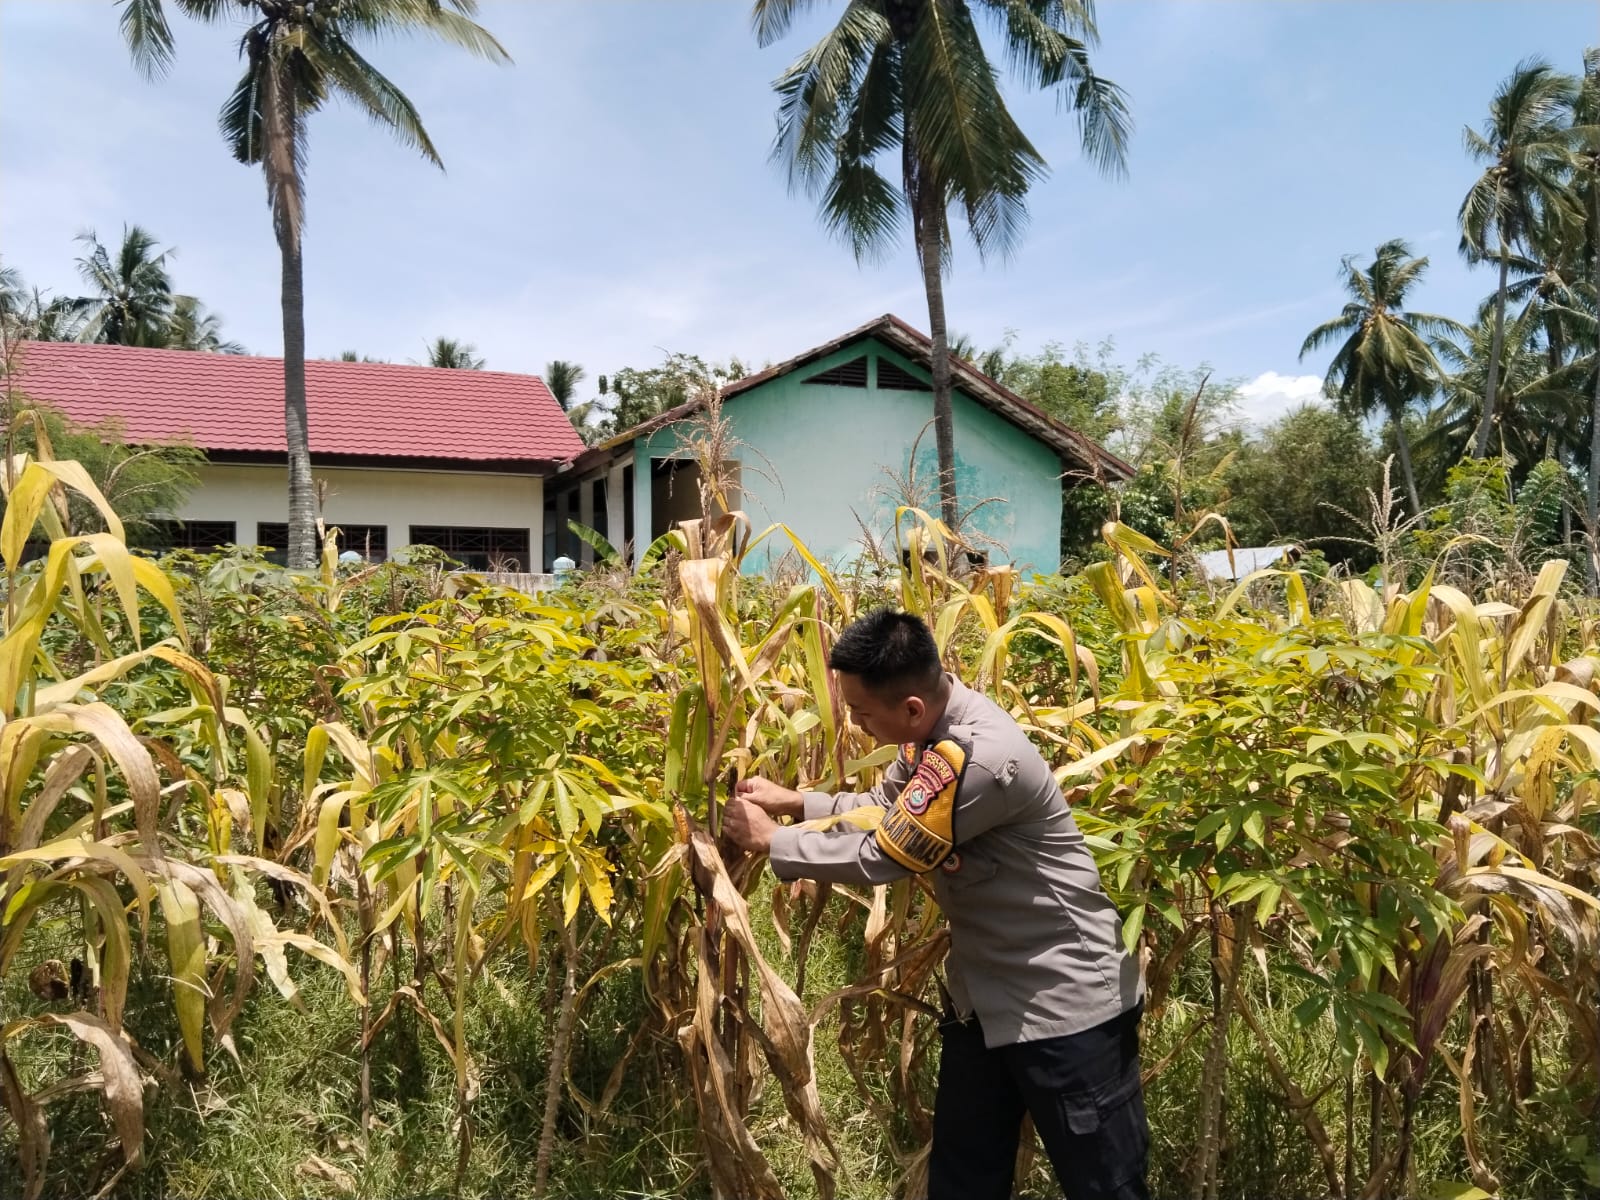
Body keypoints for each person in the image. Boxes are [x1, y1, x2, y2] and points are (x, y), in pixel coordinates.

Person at [724, 609, 1149, 1200]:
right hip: (986, 1001)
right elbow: (888, 806)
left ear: (910, 708)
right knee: (963, 1178)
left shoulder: (978, 757)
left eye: (861, 713)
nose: (856, 723)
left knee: (1105, 1185)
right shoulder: (930, 733)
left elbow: (888, 852)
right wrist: (800, 802)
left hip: (1064, 1003)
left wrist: (775, 841)